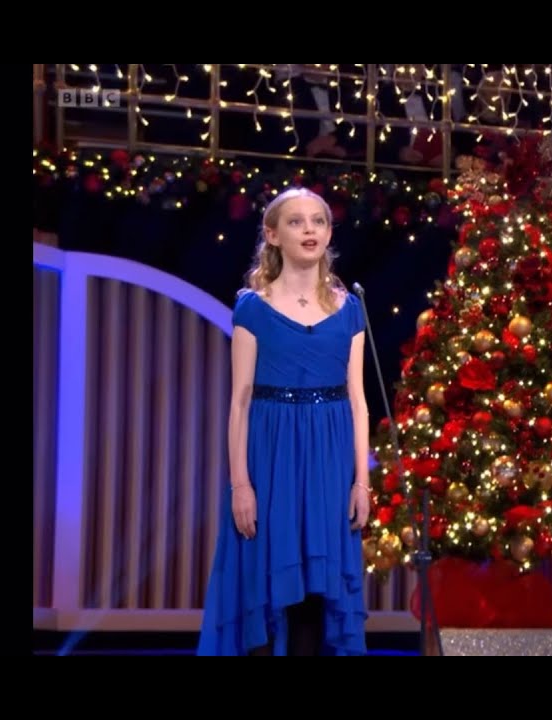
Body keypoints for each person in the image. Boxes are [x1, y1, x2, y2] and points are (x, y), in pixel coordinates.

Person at [197, 187, 371, 656]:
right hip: (271, 456)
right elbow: (240, 400)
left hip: (330, 460)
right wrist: (241, 486)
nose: (310, 229)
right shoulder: (253, 306)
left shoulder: (350, 308)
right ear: (272, 235)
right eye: (296, 222)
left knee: (316, 594)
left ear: (329, 232)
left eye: (318, 220)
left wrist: (361, 483)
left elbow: (358, 400)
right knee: (265, 585)